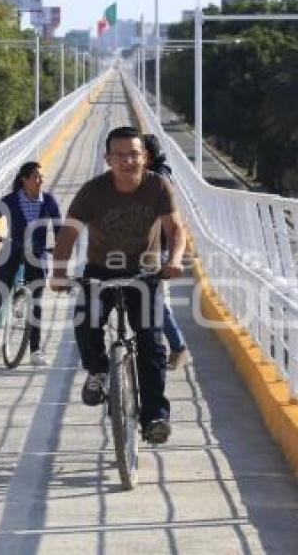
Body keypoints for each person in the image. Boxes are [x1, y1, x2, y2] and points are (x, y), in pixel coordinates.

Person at [52, 126, 187, 445]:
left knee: (152, 342)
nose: (127, 161)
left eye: (134, 154)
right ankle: (98, 371)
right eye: (120, 155)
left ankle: (155, 415)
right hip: (100, 271)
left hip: (145, 274)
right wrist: (58, 272)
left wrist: (175, 259)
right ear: (108, 158)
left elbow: (176, 230)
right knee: (86, 322)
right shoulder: (92, 191)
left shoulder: (158, 187)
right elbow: (68, 234)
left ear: (145, 157)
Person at [0, 161, 61, 366]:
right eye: (36, 176)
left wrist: (60, 247)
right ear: (24, 179)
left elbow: (59, 229)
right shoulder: (11, 200)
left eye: (42, 177)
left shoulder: (49, 201)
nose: (40, 180)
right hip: (12, 249)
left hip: (37, 254)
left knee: (37, 301)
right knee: (3, 287)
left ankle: (35, 350)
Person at [142, 133, 193, 371]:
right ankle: (175, 345)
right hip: (148, 246)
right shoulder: (158, 174)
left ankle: (178, 345)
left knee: (153, 299)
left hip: (158, 246)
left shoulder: (158, 179)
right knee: (150, 298)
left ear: (148, 156)